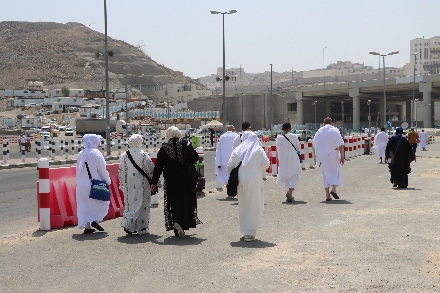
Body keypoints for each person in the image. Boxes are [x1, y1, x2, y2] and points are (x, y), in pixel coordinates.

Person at [150, 126, 202, 238]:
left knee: (174, 202)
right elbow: (195, 157)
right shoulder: (185, 144)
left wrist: (154, 182)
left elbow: (158, 167)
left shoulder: (164, 148)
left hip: (171, 180)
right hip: (186, 179)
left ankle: (176, 222)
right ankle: (184, 223)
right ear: (179, 134)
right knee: (185, 200)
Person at [227, 132, 270, 242]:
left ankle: (245, 230)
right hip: (254, 181)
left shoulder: (237, 150)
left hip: (241, 181)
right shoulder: (258, 150)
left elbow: (229, 166)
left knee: (243, 205)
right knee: (254, 205)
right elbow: (266, 164)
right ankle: (250, 232)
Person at [119, 134, 155, 235]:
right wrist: (156, 183)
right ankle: (142, 228)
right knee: (142, 205)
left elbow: (121, 171)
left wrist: (122, 184)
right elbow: (150, 170)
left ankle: (128, 224)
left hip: (128, 184)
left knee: (130, 204)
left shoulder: (124, 155)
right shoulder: (143, 154)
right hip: (142, 184)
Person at [76, 134, 111, 234]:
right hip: (95, 183)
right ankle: (95, 220)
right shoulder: (96, 153)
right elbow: (102, 170)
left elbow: (78, 171)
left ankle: (88, 226)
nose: (99, 143)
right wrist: (107, 181)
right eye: (98, 140)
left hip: (82, 183)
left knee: (85, 205)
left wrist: (78, 183)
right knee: (101, 203)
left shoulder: (80, 154)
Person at [313, 117, 344, 201]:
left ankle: (327, 195)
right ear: (332, 123)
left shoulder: (319, 132)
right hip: (334, 154)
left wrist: (319, 155)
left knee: (325, 174)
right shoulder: (335, 130)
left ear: (323, 123)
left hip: (324, 156)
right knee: (336, 171)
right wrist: (342, 157)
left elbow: (315, 144)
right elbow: (341, 144)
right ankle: (333, 189)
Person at [276, 122, 302, 202]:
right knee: (294, 175)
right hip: (293, 159)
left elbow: (278, 148)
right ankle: (289, 191)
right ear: (290, 128)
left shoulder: (279, 138)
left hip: (283, 160)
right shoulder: (294, 137)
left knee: (287, 177)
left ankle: (290, 194)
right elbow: (298, 147)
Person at [215, 125, 238, 196]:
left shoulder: (222, 137)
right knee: (234, 176)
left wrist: (218, 162)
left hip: (224, 161)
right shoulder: (236, 136)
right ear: (233, 129)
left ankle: (229, 193)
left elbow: (218, 150)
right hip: (234, 160)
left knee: (227, 177)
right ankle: (234, 192)